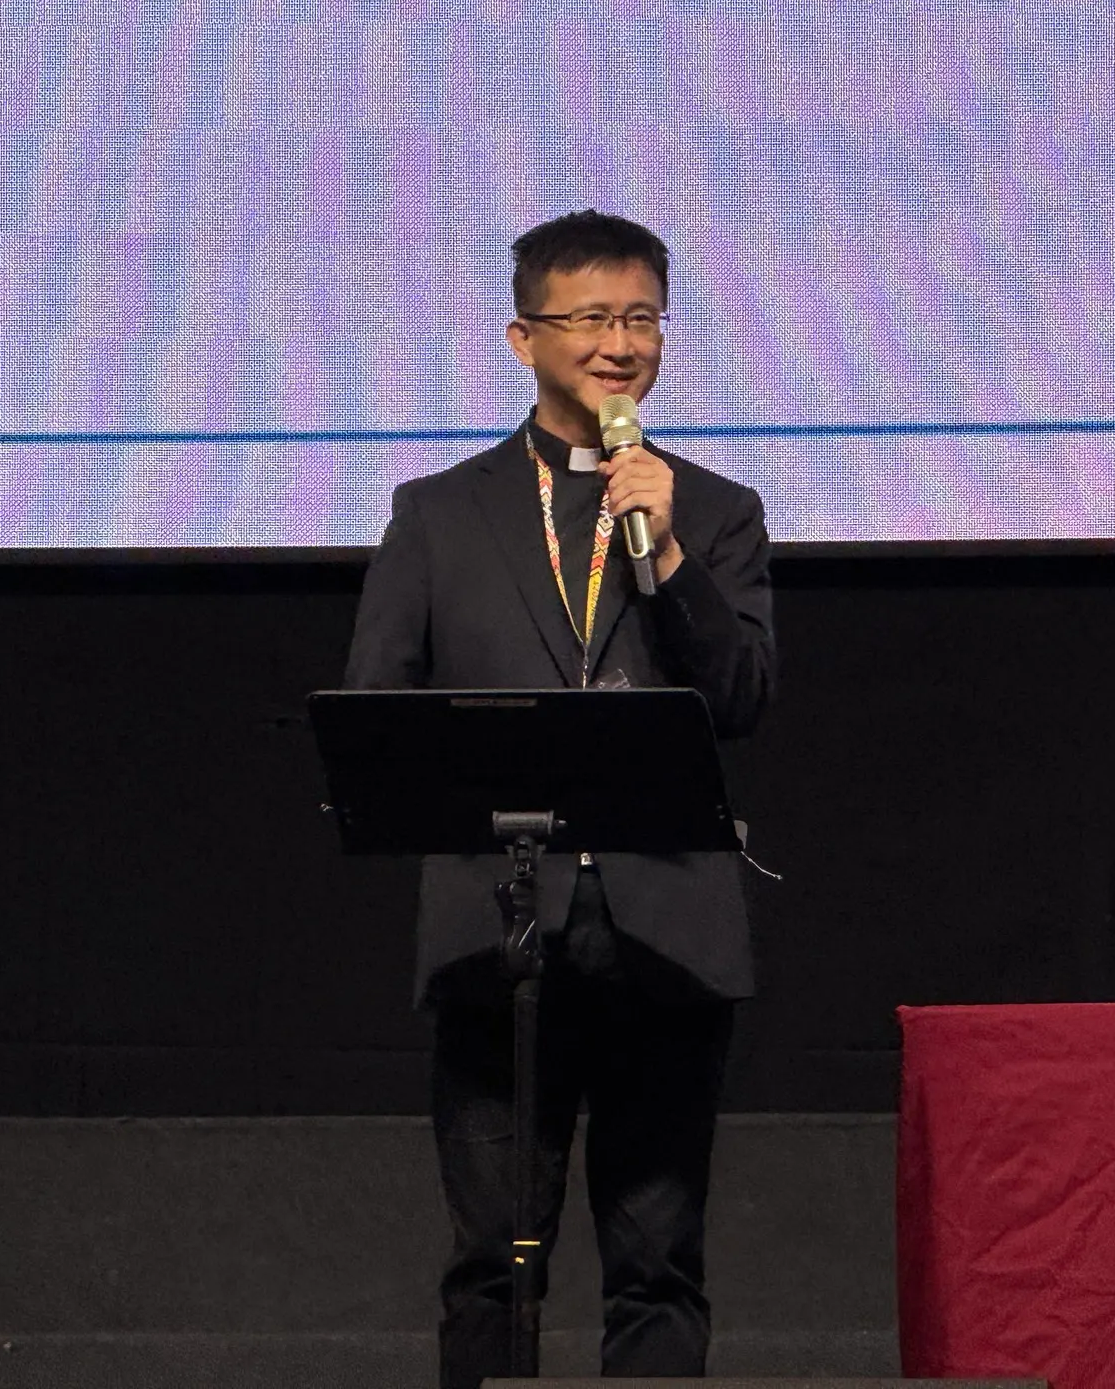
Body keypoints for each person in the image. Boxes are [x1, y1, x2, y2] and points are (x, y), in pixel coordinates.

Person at [343, 209, 776, 1387]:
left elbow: (740, 696)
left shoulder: (714, 510)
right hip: (497, 932)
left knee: (657, 1265)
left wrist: (666, 554)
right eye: (590, 317)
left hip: (664, 935)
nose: (619, 344)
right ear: (523, 337)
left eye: (641, 318)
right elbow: (380, 712)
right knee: (492, 1261)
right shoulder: (438, 513)